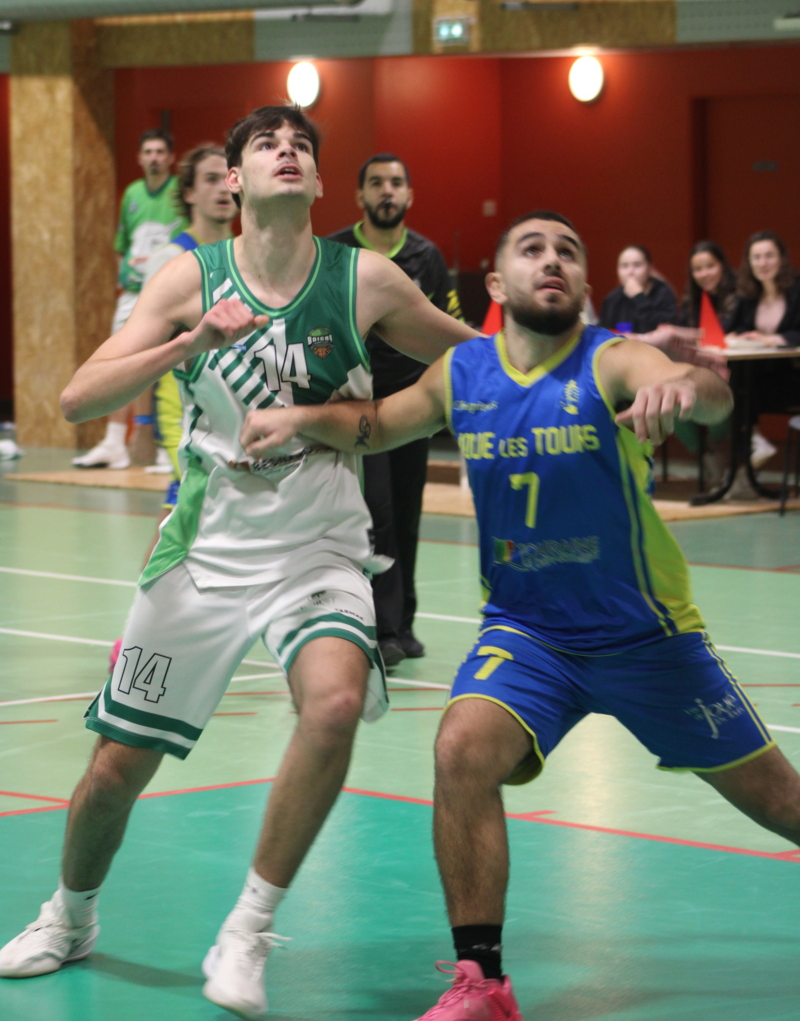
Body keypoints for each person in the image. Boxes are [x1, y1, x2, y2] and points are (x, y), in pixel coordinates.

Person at [240, 211, 800, 1021]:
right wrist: (298, 420)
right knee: (461, 748)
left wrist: (684, 387)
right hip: (529, 634)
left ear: (584, 282)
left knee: (781, 801)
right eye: (532, 249)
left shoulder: (610, 359)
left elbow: (708, 394)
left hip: (646, 637)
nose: (553, 260)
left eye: (568, 251)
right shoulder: (463, 371)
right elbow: (378, 423)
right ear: (498, 283)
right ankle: (483, 984)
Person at [0, 106, 475, 1020]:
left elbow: (483, 368)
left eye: (301, 146)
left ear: (320, 182)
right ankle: (70, 915)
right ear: (232, 179)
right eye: (266, 145)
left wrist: (602, 368)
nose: (286, 152)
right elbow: (76, 398)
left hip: (319, 549)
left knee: (333, 704)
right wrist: (189, 345)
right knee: (113, 773)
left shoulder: (366, 279)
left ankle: (248, 928)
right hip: (205, 556)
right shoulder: (190, 278)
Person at [107, 143, 239, 671]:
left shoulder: (247, 254)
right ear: (188, 193)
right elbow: (143, 349)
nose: (222, 188)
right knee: (181, 520)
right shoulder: (173, 259)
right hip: (182, 403)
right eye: (209, 179)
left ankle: (179, 629)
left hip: (236, 407)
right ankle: (135, 637)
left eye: (227, 178)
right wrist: (142, 420)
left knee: (197, 520)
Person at [329, 153, 464, 666]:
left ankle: (403, 624)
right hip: (359, 409)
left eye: (396, 183)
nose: (387, 191)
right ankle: (380, 628)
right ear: (360, 195)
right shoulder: (336, 252)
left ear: (409, 195)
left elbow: (449, 328)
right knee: (376, 514)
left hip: (415, 407)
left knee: (406, 515)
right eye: (376, 183)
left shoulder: (427, 257)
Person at [72, 129, 184, 470]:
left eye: (160, 152)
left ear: (171, 157)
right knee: (119, 359)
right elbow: (121, 244)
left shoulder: (181, 192)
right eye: (148, 152)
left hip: (169, 293)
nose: (154, 158)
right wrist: (124, 273)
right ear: (139, 157)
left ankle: (167, 444)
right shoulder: (132, 193)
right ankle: (113, 441)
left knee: (166, 362)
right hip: (132, 293)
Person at [727, 230, 800, 471]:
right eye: (756, 257)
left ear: (782, 258)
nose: (763, 263)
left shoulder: (797, 290)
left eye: (769, 256)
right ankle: (752, 445)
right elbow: (735, 327)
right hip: (759, 379)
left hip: (792, 378)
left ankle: (750, 452)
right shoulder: (749, 295)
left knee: (737, 387)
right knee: (731, 384)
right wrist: (737, 336)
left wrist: (773, 339)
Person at [673, 241, 737, 479]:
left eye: (710, 266)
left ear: (722, 266)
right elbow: (684, 332)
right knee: (674, 399)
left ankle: (716, 449)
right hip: (697, 369)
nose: (704, 274)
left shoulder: (740, 295)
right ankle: (706, 454)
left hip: (734, 370)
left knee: (718, 396)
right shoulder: (691, 299)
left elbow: (736, 331)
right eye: (698, 269)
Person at [599, 243, 676, 334]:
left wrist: (639, 297)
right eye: (624, 266)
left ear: (650, 268)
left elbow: (662, 331)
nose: (630, 272)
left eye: (637, 265)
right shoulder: (612, 299)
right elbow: (604, 332)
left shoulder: (664, 294)